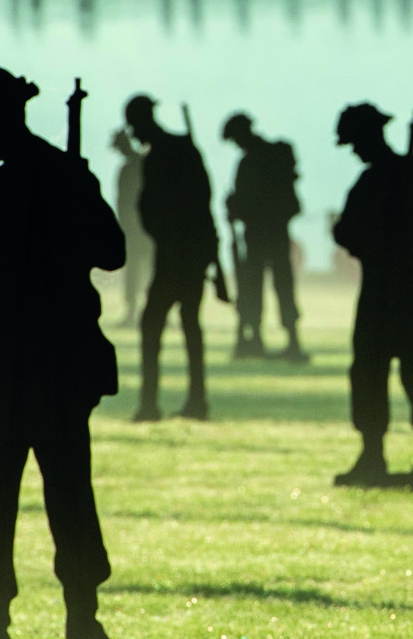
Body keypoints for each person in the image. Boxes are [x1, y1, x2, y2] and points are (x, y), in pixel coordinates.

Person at [0, 69, 132, 639]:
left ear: (1, 121)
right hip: (13, 370)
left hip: (41, 366)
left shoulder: (47, 181)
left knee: (59, 496)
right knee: (5, 497)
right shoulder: (23, 184)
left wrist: (77, 195)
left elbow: (110, 251)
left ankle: (79, 621)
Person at [333, 104, 413, 491]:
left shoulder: (388, 179)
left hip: (390, 290)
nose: (354, 151)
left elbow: (348, 233)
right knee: (387, 372)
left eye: (356, 142)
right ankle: (387, 454)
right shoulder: (395, 176)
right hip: (396, 289)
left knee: (400, 372)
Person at [124, 95, 219, 423]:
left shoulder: (161, 156)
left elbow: (191, 204)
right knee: (187, 325)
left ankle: (155, 402)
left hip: (178, 254)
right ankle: (194, 400)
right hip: (187, 253)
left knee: (156, 325)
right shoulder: (177, 150)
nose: (133, 133)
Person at [223, 112, 305, 361]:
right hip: (269, 235)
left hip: (263, 235)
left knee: (263, 287)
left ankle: (271, 339)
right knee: (270, 287)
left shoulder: (254, 161)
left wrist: (235, 207)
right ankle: (275, 339)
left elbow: (252, 202)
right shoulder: (273, 155)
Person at [111, 127, 149, 328]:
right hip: (142, 230)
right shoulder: (140, 165)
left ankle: (135, 313)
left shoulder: (131, 168)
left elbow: (123, 202)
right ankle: (135, 312)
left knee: (137, 272)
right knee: (141, 272)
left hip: (138, 230)